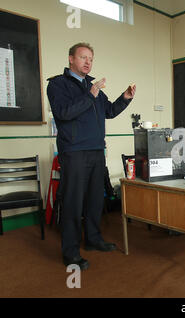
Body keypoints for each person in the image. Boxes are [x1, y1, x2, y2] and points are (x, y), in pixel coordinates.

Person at [47, 43, 136, 270]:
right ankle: (70, 252)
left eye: (91, 59)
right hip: (74, 152)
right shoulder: (58, 84)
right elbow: (64, 113)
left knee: (96, 199)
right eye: (83, 57)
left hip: (97, 151)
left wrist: (125, 98)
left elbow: (109, 111)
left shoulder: (93, 86)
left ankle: (94, 239)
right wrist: (90, 95)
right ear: (71, 59)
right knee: (73, 203)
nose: (88, 62)